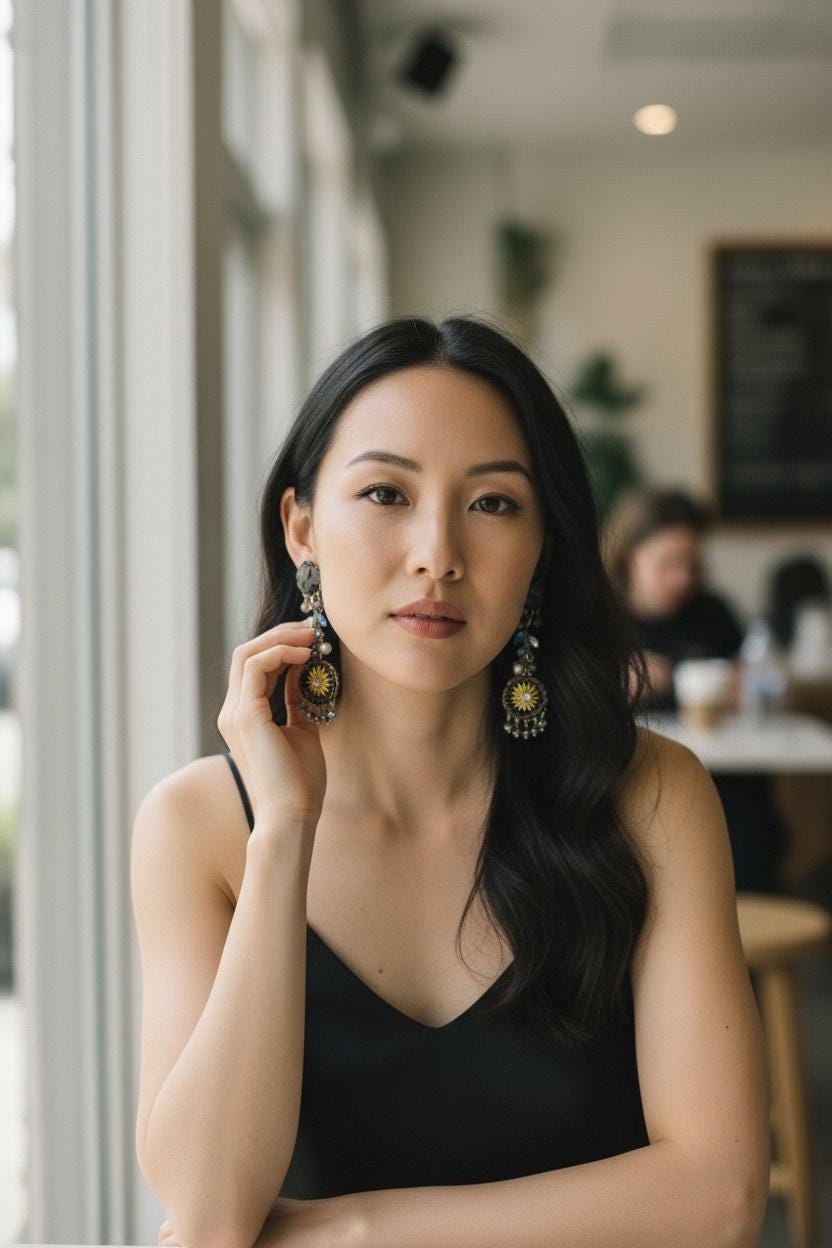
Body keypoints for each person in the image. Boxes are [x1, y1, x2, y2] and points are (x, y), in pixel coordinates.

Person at [132, 317, 769, 1248]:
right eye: (386, 492)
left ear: (546, 547)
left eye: (495, 504)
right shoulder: (198, 827)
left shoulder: (649, 797)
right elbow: (208, 1213)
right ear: (301, 527)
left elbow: (721, 1201)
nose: (437, 552)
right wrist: (283, 832)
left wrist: (350, 1233)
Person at [604, 486, 787, 894]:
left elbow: (757, 677)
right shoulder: (599, 613)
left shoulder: (711, 612)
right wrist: (614, 683)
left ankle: (747, 921)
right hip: (631, 772)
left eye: (691, 564)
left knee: (750, 824)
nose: (682, 578)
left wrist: (747, 684)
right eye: (669, 563)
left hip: (721, 775)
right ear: (631, 554)